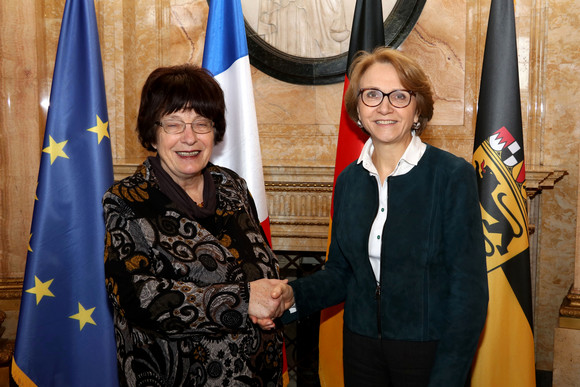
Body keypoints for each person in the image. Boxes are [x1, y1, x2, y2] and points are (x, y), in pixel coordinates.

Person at [263, 47, 489, 386]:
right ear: (357, 108)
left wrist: (449, 375)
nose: (384, 107)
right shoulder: (349, 181)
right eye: (372, 95)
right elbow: (341, 273)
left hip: (427, 354)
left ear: (417, 108)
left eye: (399, 95)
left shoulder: (451, 175)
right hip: (361, 349)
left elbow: (468, 291)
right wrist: (294, 296)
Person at [103, 64, 286, 386]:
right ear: (152, 133)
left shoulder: (233, 186)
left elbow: (260, 263)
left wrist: (276, 294)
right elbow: (139, 298)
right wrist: (245, 301)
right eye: (174, 124)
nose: (190, 138)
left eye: (202, 124)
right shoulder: (125, 200)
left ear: (215, 131)